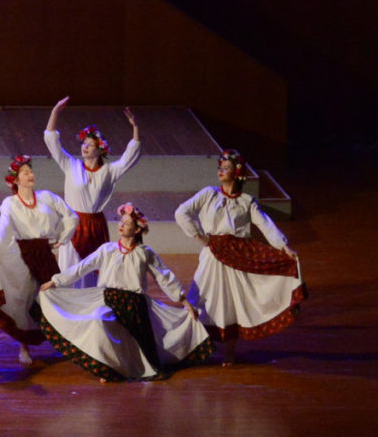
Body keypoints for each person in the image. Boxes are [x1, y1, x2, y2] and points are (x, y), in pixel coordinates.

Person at [37, 203, 214, 382]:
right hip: (108, 299)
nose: (121, 225)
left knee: (134, 341)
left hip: (134, 305)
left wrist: (184, 302)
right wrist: (56, 281)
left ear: (137, 229)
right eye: (121, 221)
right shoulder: (107, 249)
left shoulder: (144, 253)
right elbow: (82, 267)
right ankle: (107, 367)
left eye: (127, 223)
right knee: (98, 322)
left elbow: (164, 277)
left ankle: (123, 367)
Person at [175, 150, 304, 357]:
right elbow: (181, 212)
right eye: (220, 167)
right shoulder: (209, 194)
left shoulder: (246, 201)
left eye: (226, 168)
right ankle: (189, 345)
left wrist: (283, 246)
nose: (221, 171)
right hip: (213, 253)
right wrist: (200, 237)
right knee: (199, 297)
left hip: (239, 256)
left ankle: (229, 351)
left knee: (235, 303)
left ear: (237, 173)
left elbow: (265, 223)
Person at [0, 155, 75, 364]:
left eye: (31, 171)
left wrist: (62, 238)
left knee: (53, 296)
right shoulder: (10, 203)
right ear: (16, 180)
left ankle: (65, 342)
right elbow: (3, 224)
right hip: (22, 253)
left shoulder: (46, 197)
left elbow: (71, 216)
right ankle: (24, 346)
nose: (30, 175)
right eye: (25, 173)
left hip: (43, 253)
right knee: (24, 299)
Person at [43, 97, 141, 259]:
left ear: (100, 149)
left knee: (95, 266)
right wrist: (55, 112)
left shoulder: (109, 171)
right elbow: (51, 141)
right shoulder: (71, 165)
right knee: (70, 266)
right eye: (84, 143)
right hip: (73, 224)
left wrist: (136, 127)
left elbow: (130, 157)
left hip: (96, 227)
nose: (85, 146)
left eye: (90, 144)